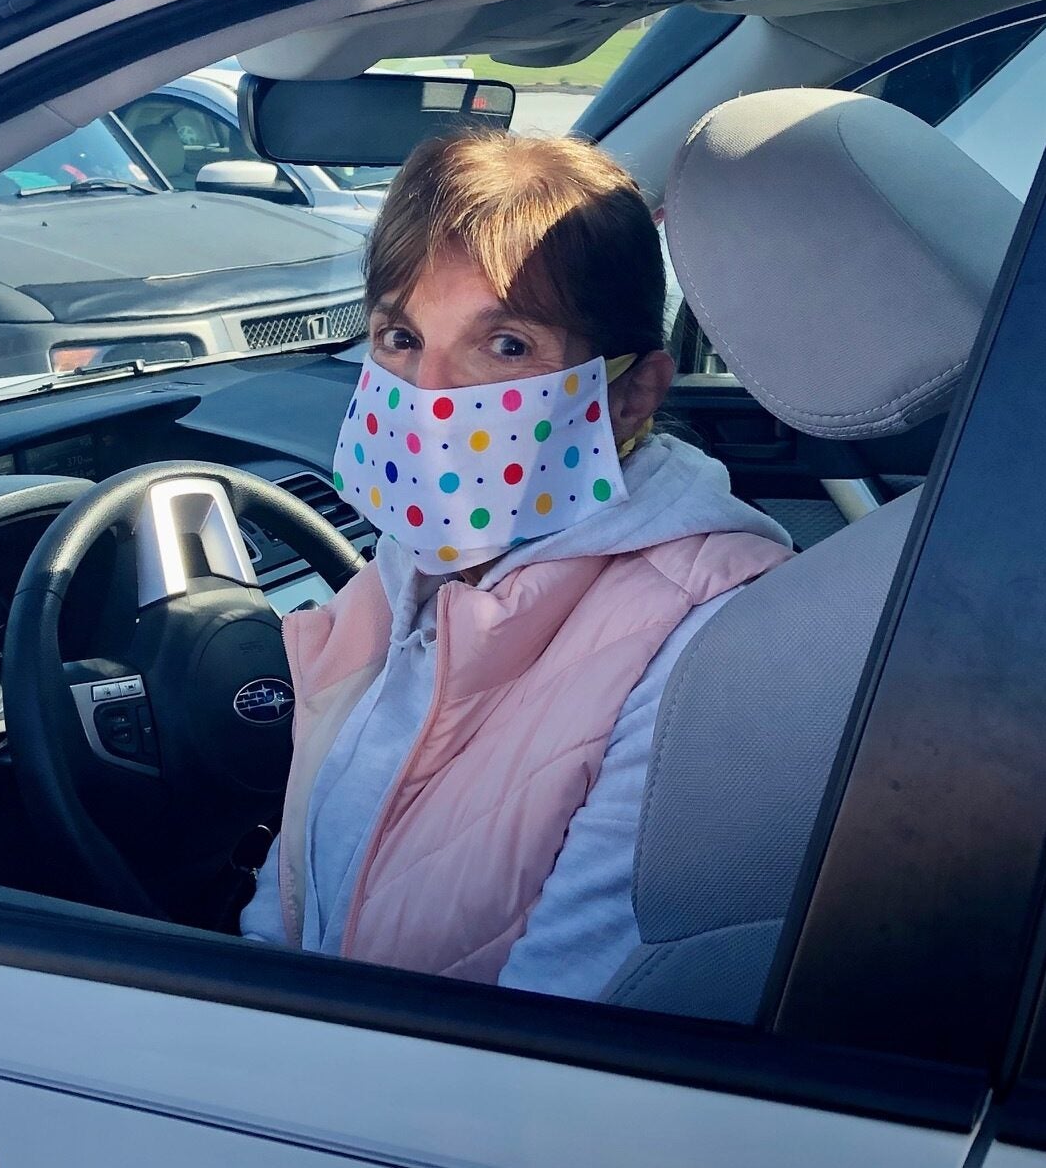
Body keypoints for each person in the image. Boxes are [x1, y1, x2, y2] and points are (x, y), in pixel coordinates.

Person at [241, 131, 794, 999]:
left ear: (628, 396)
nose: (427, 393)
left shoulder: (699, 642)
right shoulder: (404, 568)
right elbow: (294, 894)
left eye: (505, 346)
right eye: (399, 334)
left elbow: (564, 1026)